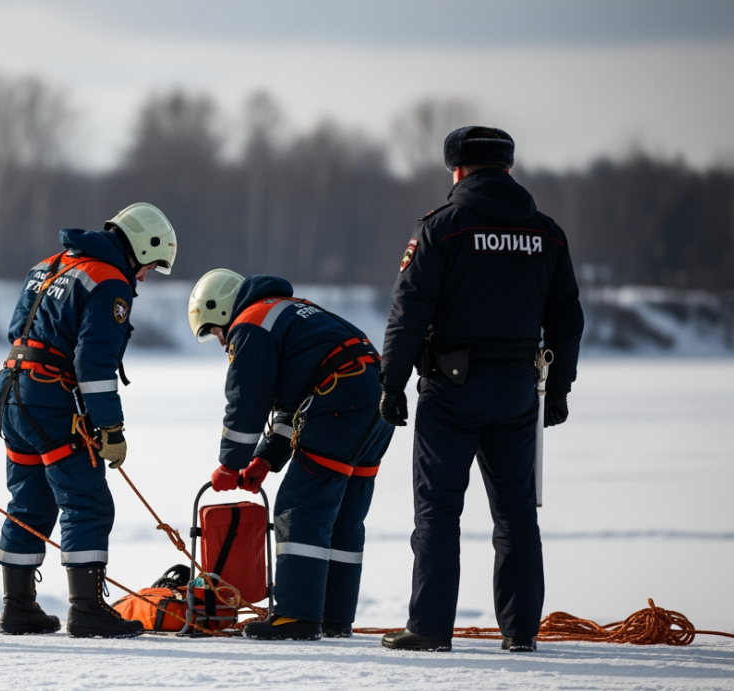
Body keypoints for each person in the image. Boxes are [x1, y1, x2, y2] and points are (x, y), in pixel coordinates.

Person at [378, 127, 584, 653]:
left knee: (438, 511)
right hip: (518, 390)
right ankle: (521, 633)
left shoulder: (441, 228)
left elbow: (409, 310)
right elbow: (567, 319)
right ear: (508, 169)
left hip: (451, 390)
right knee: (517, 515)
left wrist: (392, 382)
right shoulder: (547, 234)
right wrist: (558, 389)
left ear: (457, 170)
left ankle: (430, 628)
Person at [0, 203, 177, 638]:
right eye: (149, 265)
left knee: (29, 502)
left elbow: (20, 329)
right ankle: (87, 610)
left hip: (12, 394)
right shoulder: (110, 281)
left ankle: (17, 608)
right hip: (50, 401)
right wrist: (110, 428)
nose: (146, 276)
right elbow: (93, 362)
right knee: (87, 502)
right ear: (138, 248)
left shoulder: (48, 265)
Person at [188, 270, 394, 640]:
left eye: (216, 331)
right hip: (375, 402)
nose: (221, 342)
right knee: (344, 515)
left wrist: (230, 464)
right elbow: (297, 403)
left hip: (341, 403)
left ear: (222, 310)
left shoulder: (250, 323)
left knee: (300, 506)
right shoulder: (289, 310)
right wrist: (265, 459)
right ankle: (333, 616)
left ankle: (296, 617)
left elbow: (247, 400)